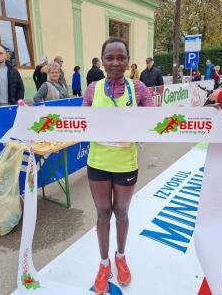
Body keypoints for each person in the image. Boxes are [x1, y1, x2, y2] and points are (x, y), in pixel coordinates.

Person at [83, 37, 153, 294]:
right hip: (98, 162)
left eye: (120, 57)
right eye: (109, 58)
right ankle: (104, 264)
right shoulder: (92, 89)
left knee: (121, 213)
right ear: (102, 61)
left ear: (128, 60)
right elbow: (82, 123)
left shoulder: (139, 88)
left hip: (125, 163)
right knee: (103, 214)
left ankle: (120, 257)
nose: (115, 62)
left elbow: (154, 124)